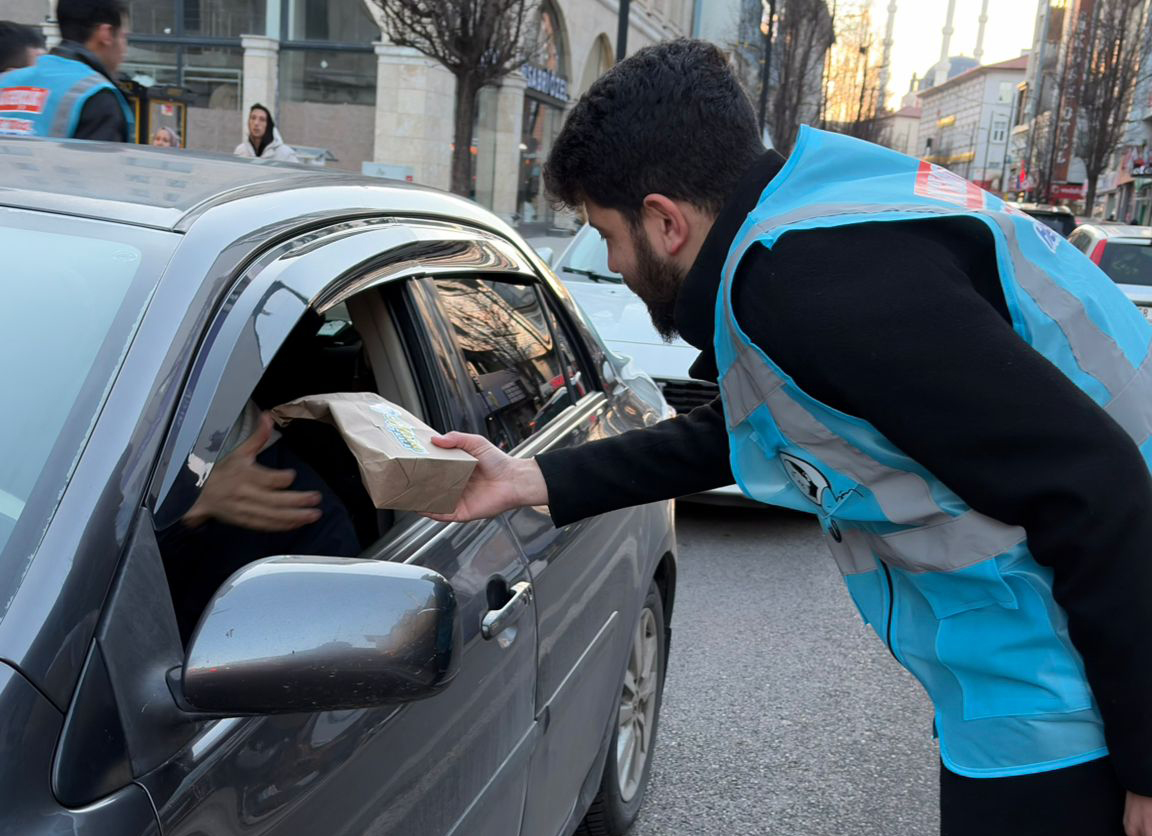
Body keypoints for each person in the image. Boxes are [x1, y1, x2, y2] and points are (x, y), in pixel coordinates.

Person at [427, 40, 1152, 836]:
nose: (612, 262)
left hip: (1066, 692)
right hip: (1046, 670)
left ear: (665, 221)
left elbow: (1098, 484)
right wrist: (532, 479)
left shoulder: (808, 288)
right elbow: (746, 428)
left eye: (608, 233)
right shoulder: (809, 221)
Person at [0, 0, 131, 141]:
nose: (125, 50)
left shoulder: (7, 81)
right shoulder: (96, 95)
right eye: (124, 37)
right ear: (106, 34)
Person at [234, 103, 299, 163]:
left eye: (262, 119)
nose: (256, 123)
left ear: (268, 125)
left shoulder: (285, 154)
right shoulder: (240, 151)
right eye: (253, 118)